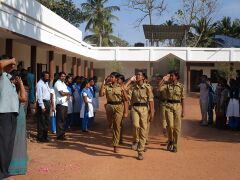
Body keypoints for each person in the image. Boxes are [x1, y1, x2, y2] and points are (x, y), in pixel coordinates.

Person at [125, 71, 154, 160]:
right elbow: (125, 90)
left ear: (143, 77)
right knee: (135, 125)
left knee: (143, 129)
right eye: (136, 75)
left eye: (139, 75)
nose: (137, 76)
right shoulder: (132, 87)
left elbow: (151, 100)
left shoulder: (147, 88)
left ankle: (140, 151)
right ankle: (135, 141)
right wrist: (130, 80)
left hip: (145, 109)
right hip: (134, 108)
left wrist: (152, 112)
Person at [99, 72, 128, 153]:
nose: (110, 78)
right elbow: (101, 94)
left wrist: (124, 90)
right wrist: (103, 83)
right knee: (110, 124)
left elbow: (126, 99)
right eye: (110, 77)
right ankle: (111, 129)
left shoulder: (120, 87)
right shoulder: (107, 86)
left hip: (118, 107)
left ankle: (115, 145)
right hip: (109, 106)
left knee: (117, 126)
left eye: (112, 77)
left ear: (116, 78)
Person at [0, 56, 19, 179]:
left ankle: (5, 170)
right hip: (4, 113)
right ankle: (1, 172)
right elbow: (0, 64)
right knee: (3, 143)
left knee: (9, 144)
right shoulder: (1, 76)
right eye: (11, 63)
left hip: (12, 113)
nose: (13, 65)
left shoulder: (9, 78)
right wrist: (11, 60)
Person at [8, 72, 28, 176]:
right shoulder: (9, 89)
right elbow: (23, 98)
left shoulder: (19, 90)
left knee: (19, 139)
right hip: (12, 115)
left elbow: (24, 99)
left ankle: (17, 165)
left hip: (20, 116)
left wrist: (20, 84)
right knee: (12, 139)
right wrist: (19, 84)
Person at [160, 71, 184, 153]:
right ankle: (170, 140)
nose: (170, 77)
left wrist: (183, 111)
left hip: (177, 107)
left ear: (176, 77)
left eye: (172, 76)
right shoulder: (167, 86)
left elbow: (183, 99)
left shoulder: (181, 86)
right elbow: (159, 88)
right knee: (170, 125)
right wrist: (163, 79)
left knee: (177, 128)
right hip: (168, 106)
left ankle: (175, 145)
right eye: (170, 76)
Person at [54, 72, 70, 140]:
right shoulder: (58, 83)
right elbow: (62, 93)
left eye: (64, 76)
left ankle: (62, 134)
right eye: (62, 76)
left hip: (65, 103)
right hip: (60, 104)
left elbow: (65, 93)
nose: (63, 77)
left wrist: (67, 94)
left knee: (63, 119)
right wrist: (68, 93)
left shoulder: (63, 83)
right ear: (59, 76)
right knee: (60, 120)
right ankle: (59, 135)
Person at [36, 71, 51, 142]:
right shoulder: (39, 84)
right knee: (41, 120)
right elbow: (39, 96)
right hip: (43, 103)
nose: (48, 78)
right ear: (42, 77)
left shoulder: (46, 83)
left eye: (48, 76)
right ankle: (40, 137)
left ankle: (45, 136)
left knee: (47, 120)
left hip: (47, 103)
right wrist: (42, 106)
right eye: (46, 76)